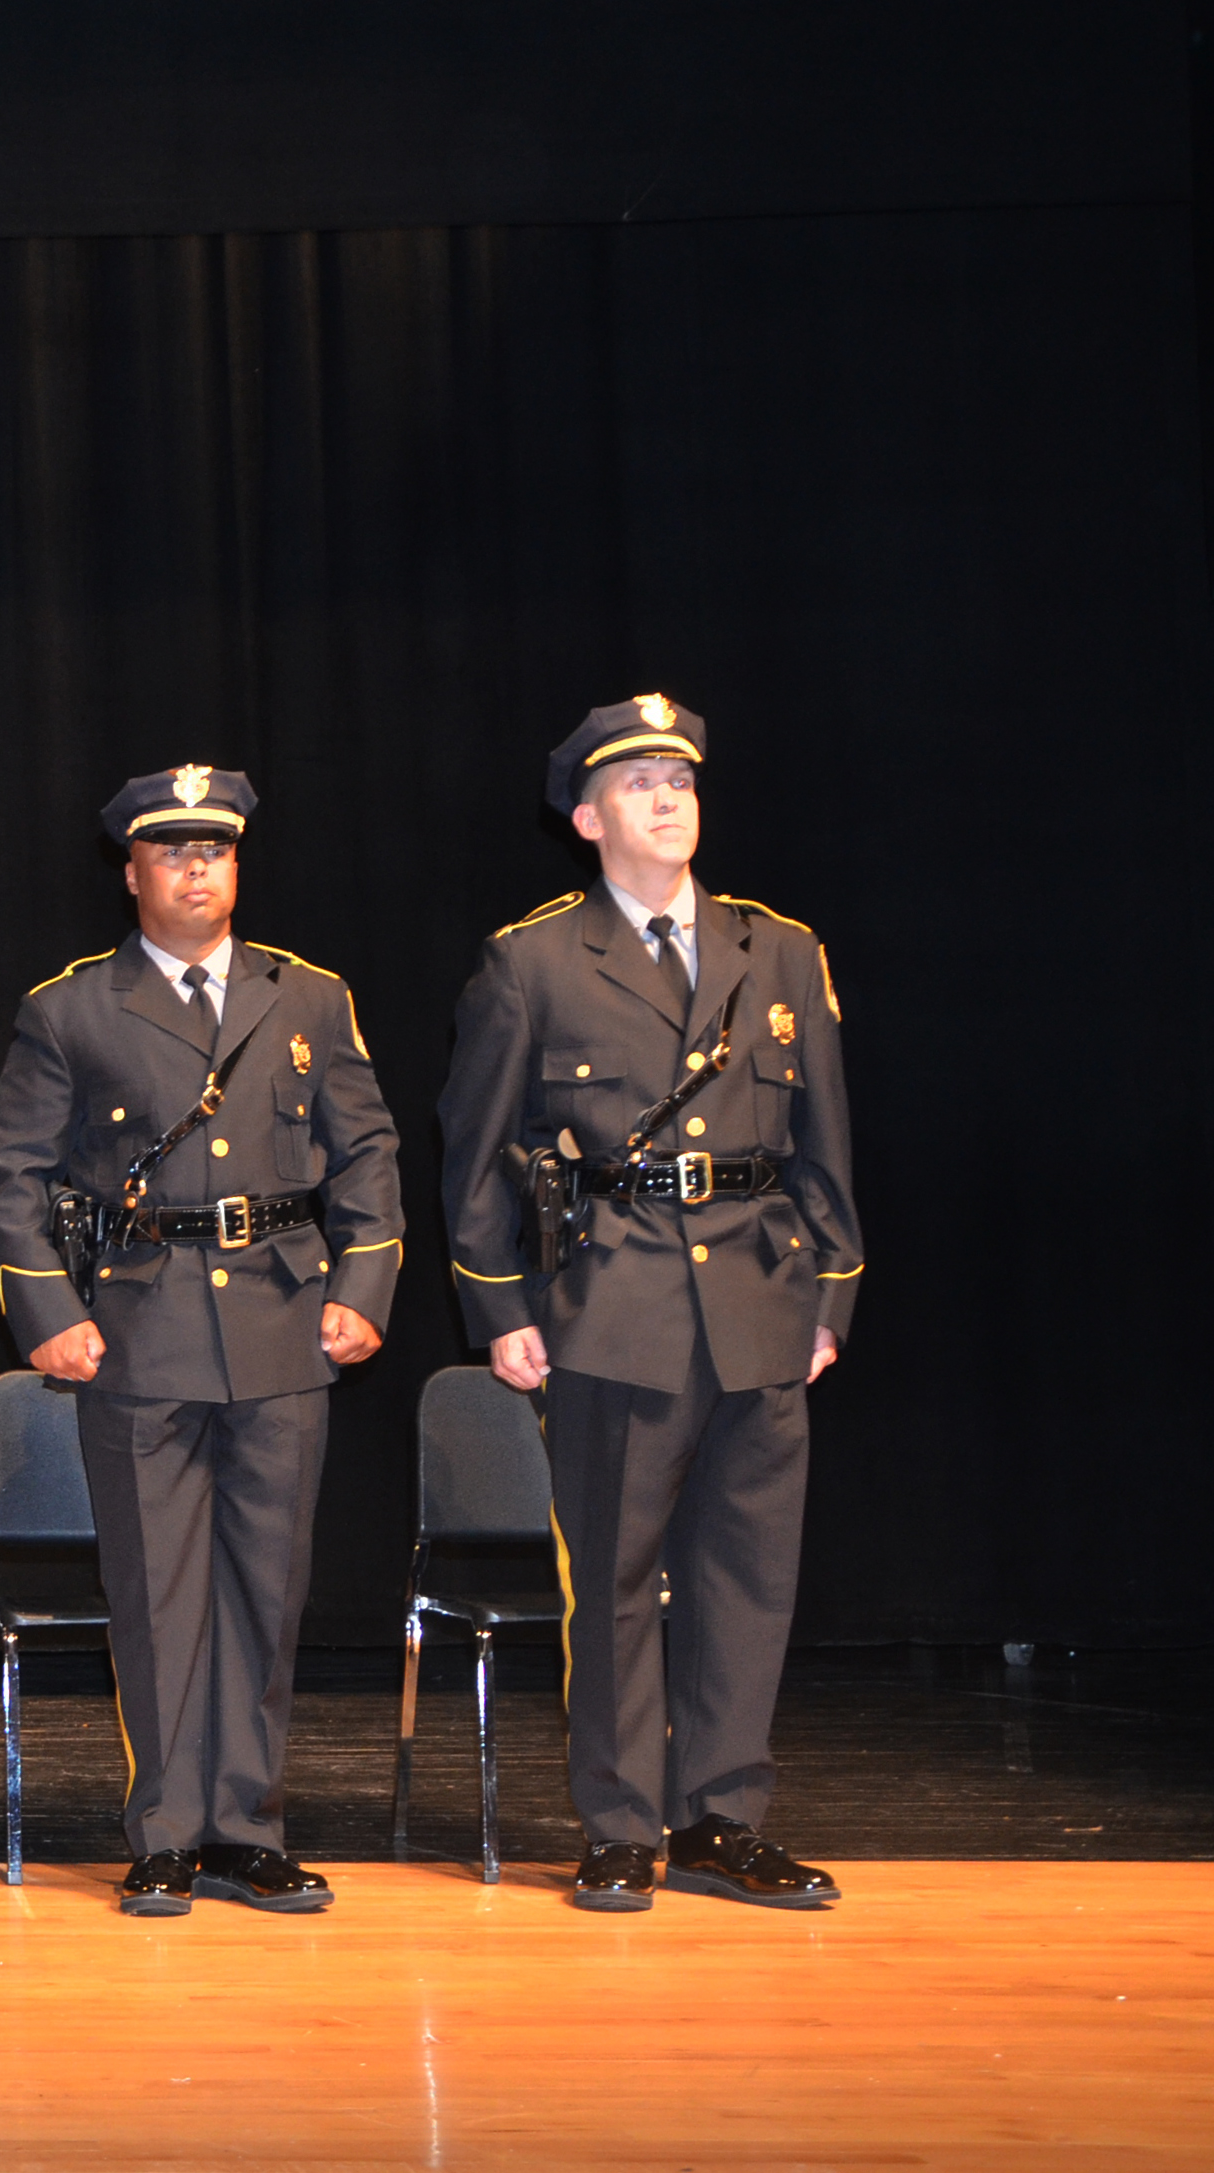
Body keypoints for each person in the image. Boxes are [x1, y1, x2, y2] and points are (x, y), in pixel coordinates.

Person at [439, 695, 862, 1911]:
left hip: (765, 1296)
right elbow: (473, 1155)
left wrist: (833, 1290)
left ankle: (724, 1815)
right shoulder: (532, 960)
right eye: (636, 782)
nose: (668, 795)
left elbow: (825, 1133)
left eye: (680, 776)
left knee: (746, 1573)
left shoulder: (776, 948)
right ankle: (621, 1822)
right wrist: (500, 1308)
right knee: (616, 1577)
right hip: (612, 1298)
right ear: (585, 817)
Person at [0, 766, 403, 1916]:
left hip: (279, 1322)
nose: (196, 868)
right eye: (172, 851)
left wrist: (364, 1284)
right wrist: (50, 1312)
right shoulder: (70, 1007)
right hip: (141, 1325)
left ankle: (247, 1827)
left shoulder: (307, 997)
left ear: (237, 867)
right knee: (158, 1593)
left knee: (268, 1585)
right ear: (132, 872)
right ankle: (165, 1828)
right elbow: (10, 1179)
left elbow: (367, 1155)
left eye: (215, 849)